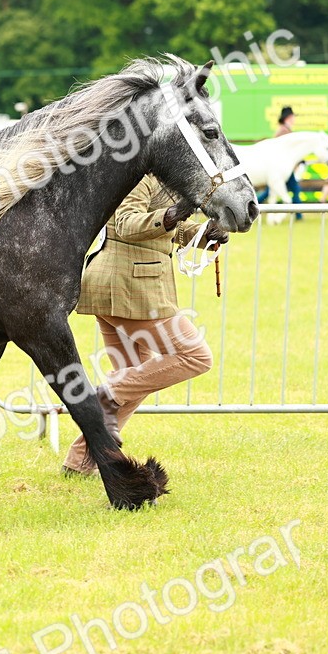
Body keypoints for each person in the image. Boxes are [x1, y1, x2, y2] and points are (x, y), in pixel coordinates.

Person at [62, 174, 228, 475]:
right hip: (129, 287)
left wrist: (206, 234)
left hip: (123, 286)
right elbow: (126, 224)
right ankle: (105, 392)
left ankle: (80, 461)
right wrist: (172, 213)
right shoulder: (139, 177)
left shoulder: (161, 177)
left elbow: (168, 232)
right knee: (196, 357)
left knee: (134, 380)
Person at [272, 106, 304, 217]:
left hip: (283, 167)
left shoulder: (284, 130)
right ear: (288, 117)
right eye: (293, 116)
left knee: (271, 190)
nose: (294, 119)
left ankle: (299, 215)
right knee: (295, 189)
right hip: (282, 168)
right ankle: (299, 215)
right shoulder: (284, 131)